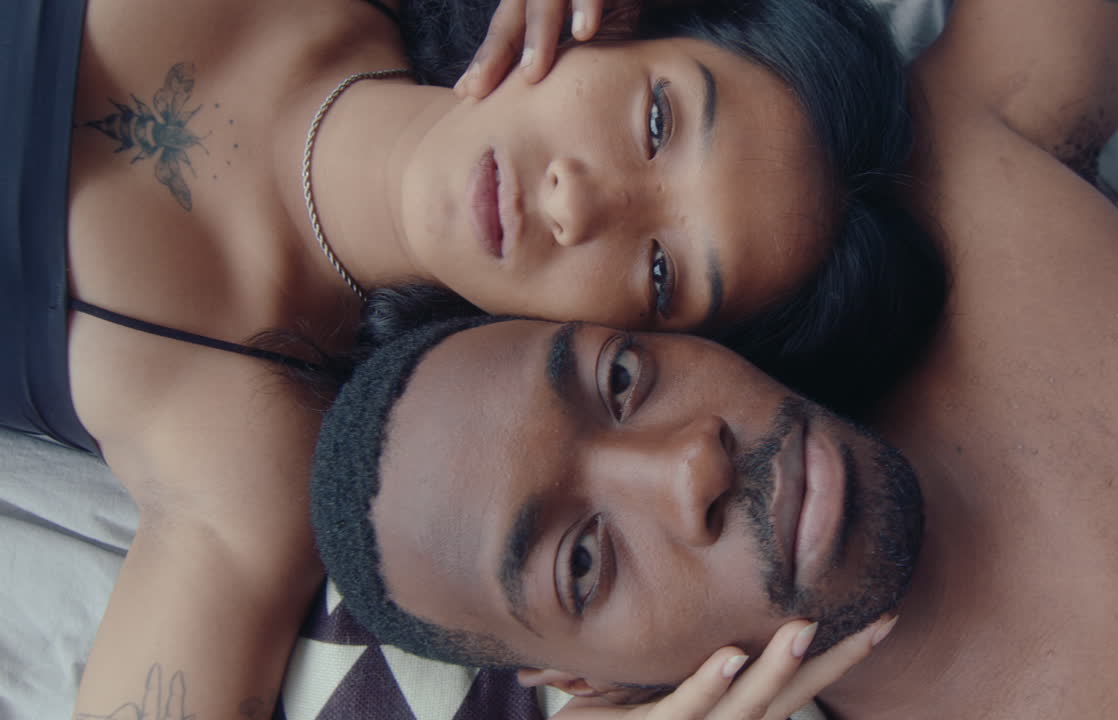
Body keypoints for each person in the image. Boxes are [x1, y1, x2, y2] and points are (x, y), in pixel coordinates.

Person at [309, 2, 1118, 718]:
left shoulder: (960, 196)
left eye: (618, 381)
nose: (690, 466)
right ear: (593, 688)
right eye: (584, 561)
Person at [10, 0, 940, 717]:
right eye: (655, 120)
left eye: (659, 273)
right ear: (615, 24)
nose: (579, 206)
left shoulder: (246, 468)